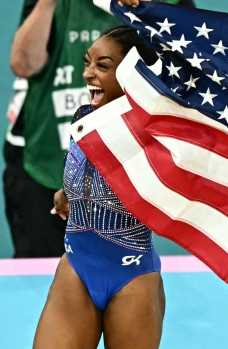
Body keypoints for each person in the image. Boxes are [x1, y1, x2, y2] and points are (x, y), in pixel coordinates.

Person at [7, 0, 194, 258]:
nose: (88, 75)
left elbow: (187, 81)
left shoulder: (169, 4)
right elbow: (22, 65)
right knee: (46, 280)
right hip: (44, 165)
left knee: (119, 277)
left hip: (127, 165)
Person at [34, 25, 166, 349]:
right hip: (77, 267)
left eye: (102, 66)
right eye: (88, 63)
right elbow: (88, 177)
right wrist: (68, 194)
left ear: (131, 76)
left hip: (132, 276)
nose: (87, 73)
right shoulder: (82, 118)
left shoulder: (156, 134)